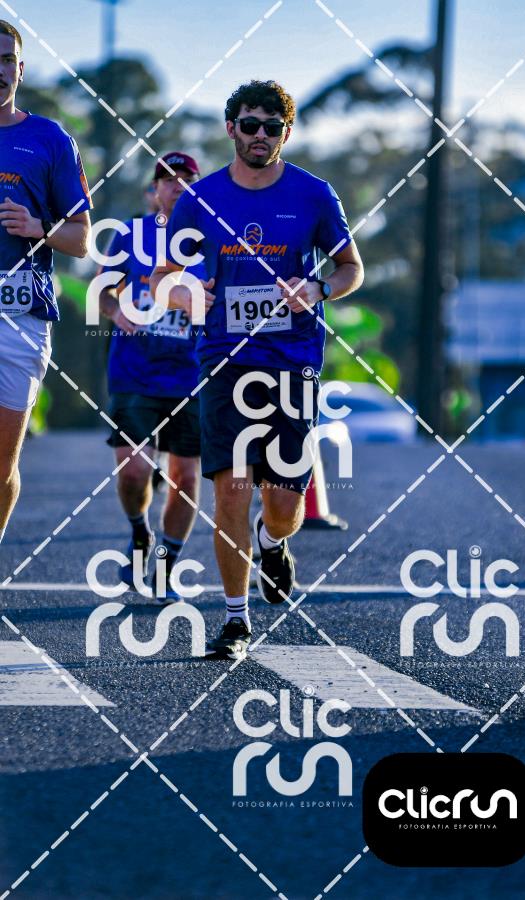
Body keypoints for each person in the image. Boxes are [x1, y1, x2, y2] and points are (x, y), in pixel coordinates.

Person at [151, 80, 363, 658]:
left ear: (285, 133)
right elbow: (163, 279)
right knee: (231, 491)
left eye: (272, 127)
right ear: (231, 129)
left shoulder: (314, 195)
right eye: (250, 125)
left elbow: (351, 268)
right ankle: (235, 620)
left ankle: (272, 540)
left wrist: (318, 288)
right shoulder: (201, 199)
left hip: (292, 360)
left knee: (284, 505)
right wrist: (186, 292)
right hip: (224, 359)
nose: (260, 136)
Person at [0, 20, 91, 548]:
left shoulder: (49, 139)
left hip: (20, 318)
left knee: (1, 466)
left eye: (6, 60)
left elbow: (81, 240)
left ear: (20, 69)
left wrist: (39, 228)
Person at [98, 153, 204, 603]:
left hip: (192, 376)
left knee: (186, 478)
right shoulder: (130, 234)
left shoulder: (211, 237)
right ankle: (140, 532)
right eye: (168, 179)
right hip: (134, 372)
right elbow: (103, 291)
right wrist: (116, 311)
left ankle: (165, 566)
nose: (178, 186)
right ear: (154, 190)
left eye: (187, 179)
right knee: (135, 470)